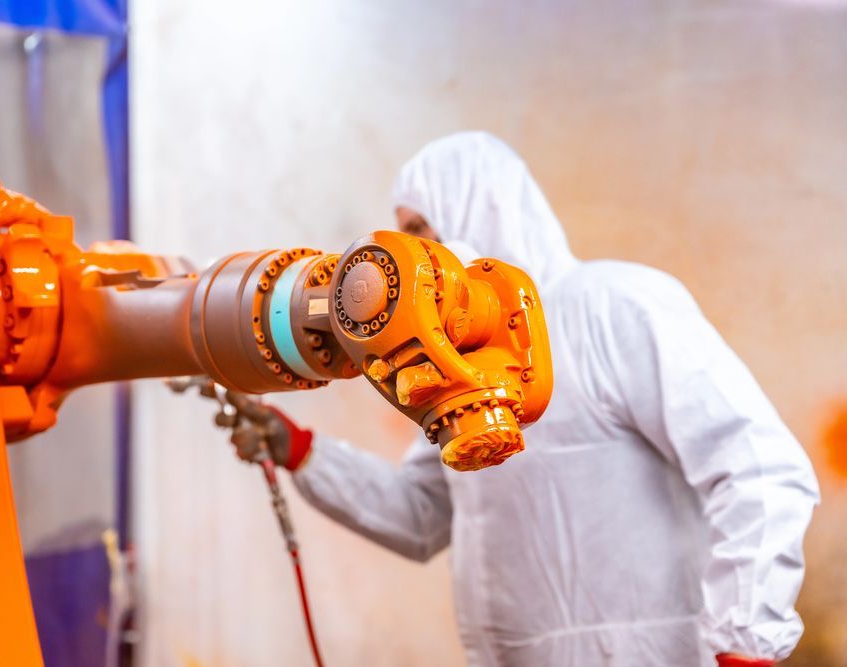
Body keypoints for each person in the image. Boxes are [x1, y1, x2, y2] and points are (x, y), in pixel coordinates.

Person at [228, 132, 819, 667]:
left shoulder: (614, 308)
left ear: (479, 210)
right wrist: (302, 451)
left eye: (418, 231)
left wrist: (745, 641)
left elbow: (757, 469)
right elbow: (422, 518)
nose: (406, 261)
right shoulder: (446, 367)